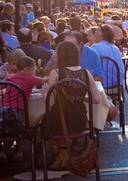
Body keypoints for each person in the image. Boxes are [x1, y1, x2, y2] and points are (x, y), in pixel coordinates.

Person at [41, 41, 100, 170]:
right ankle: (63, 151)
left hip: (58, 123)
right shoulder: (86, 73)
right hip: (79, 121)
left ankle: (59, 152)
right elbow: (96, 99)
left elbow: (50, 103)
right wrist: (77, 97)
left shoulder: (56, 73)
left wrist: (45, 93)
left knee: (39, 126)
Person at [1, 56, 47, 162]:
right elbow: (43, 80)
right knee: (20, 131)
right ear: (27, 69)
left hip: (2, 110)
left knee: (5, 131)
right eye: (33, 68)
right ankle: (19, 151)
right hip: (16, 111)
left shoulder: (10, 77)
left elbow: (2, 86)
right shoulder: (30, 78)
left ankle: (3, 151)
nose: (35, 70)